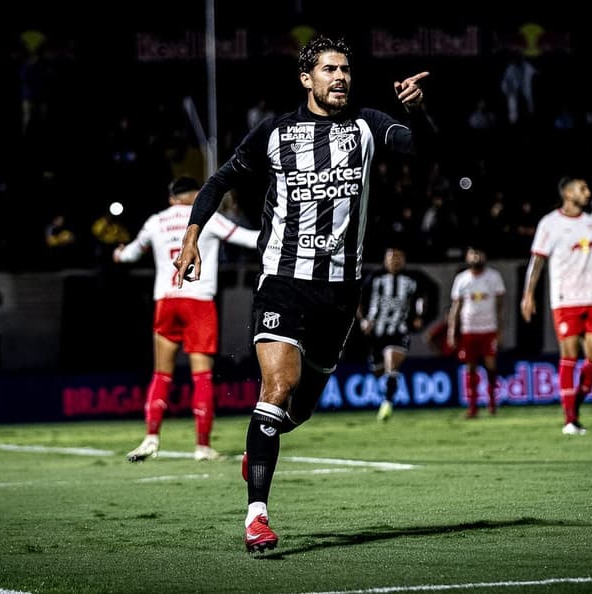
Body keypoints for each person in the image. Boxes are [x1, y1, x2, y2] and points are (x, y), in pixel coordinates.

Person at [172, 35, 432, 553]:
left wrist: (419, 113)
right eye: (330, 69)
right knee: (278, 385)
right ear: (306, 77)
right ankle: (257, 516)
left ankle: (259, 445)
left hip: (340, 294)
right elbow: (218, 181)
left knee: (300, 408)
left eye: (346, 69)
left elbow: (422, 149)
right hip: (283, 283)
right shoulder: (275, 132)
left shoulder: (368, 125)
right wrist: (192, 234)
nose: (341, 77)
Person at [113, 176, 259, 463]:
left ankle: (151, 438)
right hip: (199, 302)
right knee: (202, 376)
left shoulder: (156, 221)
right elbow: (250, 239)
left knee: (161, 374)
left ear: (171, 198)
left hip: (166, 301)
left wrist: (118, 255)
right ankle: (202, 446)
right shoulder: (209, 218)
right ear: (198, 195)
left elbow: (130, 254)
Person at [520, 177, 592, 435]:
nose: (588, 193)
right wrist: (528, 294)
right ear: (568, 194)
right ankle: (570, 419)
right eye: (583, 188)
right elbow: (537, 262)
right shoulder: (550, 223)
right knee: (569, 357)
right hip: (565, 301)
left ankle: (574, 405)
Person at [358, 246, 428, 421]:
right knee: (377, 370)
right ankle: (389, 386)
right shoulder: (375, 278)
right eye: (391, 257)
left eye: (399, 257)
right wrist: (363, 320)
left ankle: (387, 403)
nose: (395, 260)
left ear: (403, 260)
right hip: (376, 332)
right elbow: (357, 299)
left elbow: (420, 299)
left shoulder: (411, 279)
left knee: (392, 362)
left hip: (399, 330)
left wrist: (419, 315)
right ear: (385, 260)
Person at [446, 246, 505, 418]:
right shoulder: (462, 279)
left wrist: (500, 329)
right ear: (467, 256)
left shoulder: (494, 277)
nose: (476, 256)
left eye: (479, 253)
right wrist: (452, 330)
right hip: (469, 329)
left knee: (490, 366)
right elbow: (456, 307)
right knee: (470, 368)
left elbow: (500, 305)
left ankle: (492, 403)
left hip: (489, 328)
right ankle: (473, 407)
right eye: (473, 253)